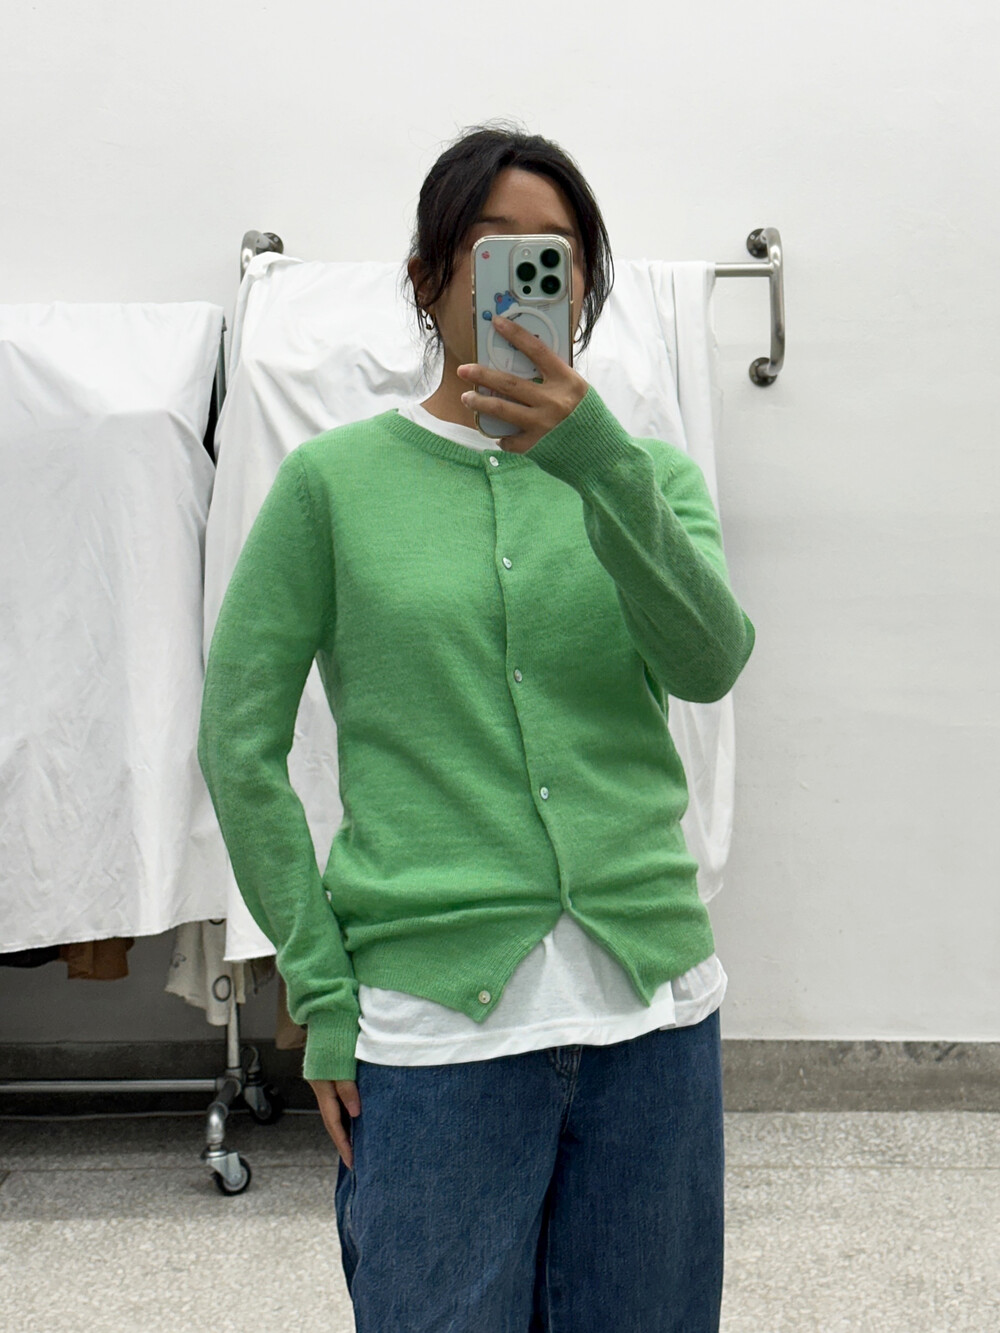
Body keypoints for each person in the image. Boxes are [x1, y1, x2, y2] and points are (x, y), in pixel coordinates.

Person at [197, 121, 756, 1333]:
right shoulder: (331, 486)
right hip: (431, 1028)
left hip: (653, 1018)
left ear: (584, 290)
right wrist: (319, 983)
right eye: (494, 248)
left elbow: (710, 662)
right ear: (428, 275)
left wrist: (595, 462)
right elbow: (237, 744)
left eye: (557, 257)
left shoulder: (645, 478)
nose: (525, 277)